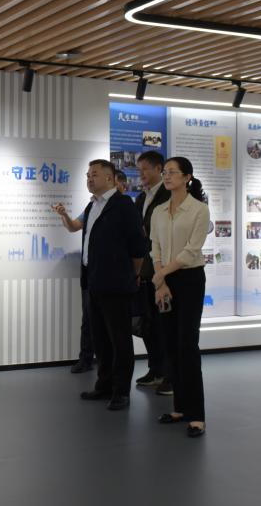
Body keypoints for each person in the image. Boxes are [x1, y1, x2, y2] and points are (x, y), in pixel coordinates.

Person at [54, 160, 146, 410]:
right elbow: (78, 230)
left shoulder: (123, 205)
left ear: (110, 178)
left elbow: (138, 246)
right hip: (93, 281)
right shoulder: (92, 205)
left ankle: (121, 391)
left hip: (116, 283)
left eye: (94, 174)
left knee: (119, 340)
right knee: (101, 338)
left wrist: (132, 274)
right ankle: (104, 385)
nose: (89, 178)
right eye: (87, 175)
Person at [150, 157, 211, 438]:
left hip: (189, 279)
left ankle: (196, 414)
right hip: (164, 280)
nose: (167, 176)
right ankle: (180, 408)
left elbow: (191, 250)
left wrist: (161, 275)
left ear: (187, 177)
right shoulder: (159, 210)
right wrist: (161, 279)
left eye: (172, 172)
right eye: (165, 172)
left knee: (188, 345)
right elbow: (155, 247)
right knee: (170, 344)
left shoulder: (199, 209)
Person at [132, 151, 171, 393]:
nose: (141, 174)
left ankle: (169, 373)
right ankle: (155, 368)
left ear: (159, 169)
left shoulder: (168, 195)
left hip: (164, 268)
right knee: (148, 323)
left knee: (165, 325)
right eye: (139, 170)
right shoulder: (141, 198)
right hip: (145, 268)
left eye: (145, 169)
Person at [52, 199, 95, 374]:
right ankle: (86, 359)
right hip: (89, 272)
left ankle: (110, 365)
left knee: (108, 322)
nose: (90, 184)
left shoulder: (120, 206)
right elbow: (73, 226)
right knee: (88, 319)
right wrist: (64, 215)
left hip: (108, 274)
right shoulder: (91, 206)